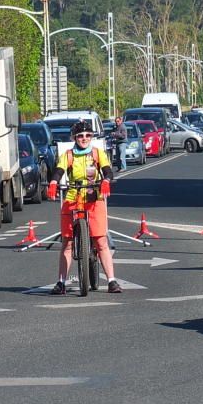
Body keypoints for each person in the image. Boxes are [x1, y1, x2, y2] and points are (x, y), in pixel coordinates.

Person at [46, 120, 121, 295]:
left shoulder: (97, 153)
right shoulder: (68, 154)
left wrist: (106, 181)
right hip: (73, 196)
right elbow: (59, 170)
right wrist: (54, 181)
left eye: (88, 135)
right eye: (80, 136)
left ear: (92, 137)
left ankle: (111, 280)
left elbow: (108, 170)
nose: (84, 138)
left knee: (101, 241)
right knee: (67, 242)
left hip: (94, 197)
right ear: (74, 137)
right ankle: (61, 282)